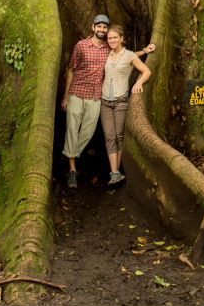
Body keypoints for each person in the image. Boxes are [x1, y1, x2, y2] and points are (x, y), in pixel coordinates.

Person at [61, 15, 154, 188]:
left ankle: (70, 154)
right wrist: (65, 97)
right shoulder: (81, 45)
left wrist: (144, 51)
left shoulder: (107, 48)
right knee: (72, 129)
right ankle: (72, 169)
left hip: (95, 97)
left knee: (87, 133)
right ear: (93, 27)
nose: (102, 30)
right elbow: (71, 70)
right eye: (99, 27)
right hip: (77, 93)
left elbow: (125, 56)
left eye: (105, 27)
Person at [100, 24, 152, 185]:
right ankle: (114, 173)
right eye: (109, 38)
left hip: (121, 100)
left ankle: (117, 170)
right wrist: (143, 51)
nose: (112, 40)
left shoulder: (129, 55)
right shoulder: (105, 54)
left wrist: (139, 83)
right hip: (105, 102)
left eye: (115, 37)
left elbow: (147, 71)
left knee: (119, 135)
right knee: (109, 136)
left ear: (121, 39)